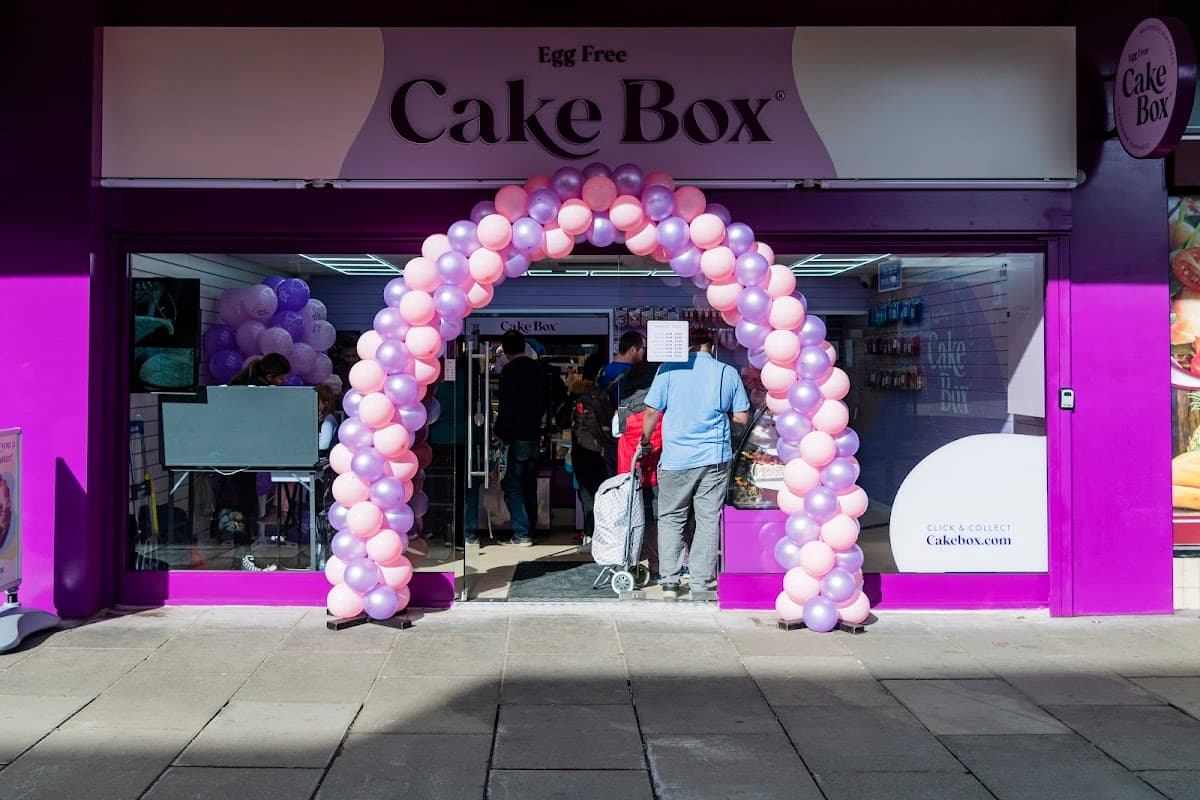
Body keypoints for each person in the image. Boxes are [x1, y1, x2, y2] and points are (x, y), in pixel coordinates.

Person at [640, 327, 749, 598]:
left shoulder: (667, 370)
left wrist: (644, 440)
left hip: (676, 458)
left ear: (686, 346)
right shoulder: (727, 373)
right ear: (712, 347)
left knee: (670, 518)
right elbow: (742, 418)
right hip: (714, 459)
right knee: (708, 519)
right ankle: (700, 583)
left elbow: (652, 410)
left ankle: (669, 581)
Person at [221, 353, 292, 570]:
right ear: (270, 376)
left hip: (232, 454)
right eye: (281, 379)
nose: (283, 383)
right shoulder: (256, 392)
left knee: (238, 505)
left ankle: (241, 555)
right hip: (240, 455)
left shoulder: (239, 385)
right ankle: (242, 557)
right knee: (243, 505)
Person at [493, 329, 549, 547]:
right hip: (534, 435)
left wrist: (499, 432)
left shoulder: (509, 371)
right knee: (529, 484)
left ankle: (522, 533)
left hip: (516, 438)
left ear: (506, 351)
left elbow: (506, 406)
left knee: (512, 485)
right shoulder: (538, 369)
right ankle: (531, 529)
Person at [569, 351, 611, 545]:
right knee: (604, 493)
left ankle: (590, 534)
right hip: (601, 452)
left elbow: (561, 419)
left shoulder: (575, 392)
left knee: (586, 494)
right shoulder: (603, 394)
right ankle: (605, 536)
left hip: (580, 451)